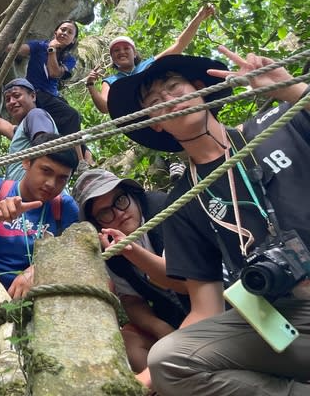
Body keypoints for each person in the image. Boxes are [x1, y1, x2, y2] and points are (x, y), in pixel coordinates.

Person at [107, 50, 310, 395]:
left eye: (175, 86)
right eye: (156, 101)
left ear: (199, 89)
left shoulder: (276, 125)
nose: (169, 99)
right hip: (285, 320)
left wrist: (291, 90)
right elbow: (206, 307)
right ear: (155, 122)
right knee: (169, 358)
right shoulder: (184, 201)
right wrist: (138, 384)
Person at [73, 169, 189, 373]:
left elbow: (184, 282)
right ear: (97, 224)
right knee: (129, 340)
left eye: (120, 200)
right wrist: (159, 327)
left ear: (133, 195)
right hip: (170, 315)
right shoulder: (107, 251)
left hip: (209, 304)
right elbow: (131, 299)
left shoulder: (165, 210)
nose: (119, 213)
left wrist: (131, 253)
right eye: (105, 213)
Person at [0, 132, 78, 297]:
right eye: (46, 171)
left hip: (36, 294)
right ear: (26, 162)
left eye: (62, 178)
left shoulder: (64, 207)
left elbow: (76, 254)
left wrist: (40, 269)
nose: (51, 184)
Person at [85, 4, 215, 114]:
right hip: (142, 121)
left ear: (134, 53)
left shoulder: (149, 64)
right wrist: (90, 85)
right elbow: (105, 107)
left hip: (167, 110)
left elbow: (179, 45)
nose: (122, 52)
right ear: (112, 58)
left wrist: (198, 18)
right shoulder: (111, 81)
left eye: (126, 48)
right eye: (116, 50)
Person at [16, 20, 85, 166]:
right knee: (72, 115)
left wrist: (52, 51)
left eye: (69, 32)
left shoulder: (69, 59)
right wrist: (1, 43)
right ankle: (80, 162)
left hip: (52, 97)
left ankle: (80, 160)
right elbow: (17, 49)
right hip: (35, 95)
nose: (64, 33)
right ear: (55, 32)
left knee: (75, 128)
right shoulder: (40, 46)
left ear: (73, 40)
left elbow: (54, 73)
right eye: (62, 29)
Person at [0, 78, 57, 181]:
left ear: (33, 96)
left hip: (37, 190)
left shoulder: (36, 115)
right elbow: (8, 128)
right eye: (7, 99)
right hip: (24, 191)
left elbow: (46, 145)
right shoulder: (25, 127)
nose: (12, 102)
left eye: (16, 96)